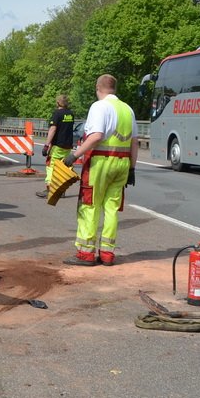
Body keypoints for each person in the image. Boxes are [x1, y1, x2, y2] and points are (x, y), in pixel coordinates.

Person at [61, 74, 138, 266]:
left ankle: (85, 254)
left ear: (98, 88)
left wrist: (73, 156)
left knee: (89, 205)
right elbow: (134, 142)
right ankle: (107, 254)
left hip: (100, 163)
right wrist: (132, 168)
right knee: (111, 208)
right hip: (122, 164)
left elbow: (96, 136)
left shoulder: (99, 106)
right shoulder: (128, 110)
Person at [35, 95, 75, 199]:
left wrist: (46, 145)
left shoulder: (57, 113)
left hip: (58, 145)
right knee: (63, 167)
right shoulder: (71, 114)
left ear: (57, 103)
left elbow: (53, 129)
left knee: (51, 165)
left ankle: (49, 189)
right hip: (68, 146)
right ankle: (61, 190)